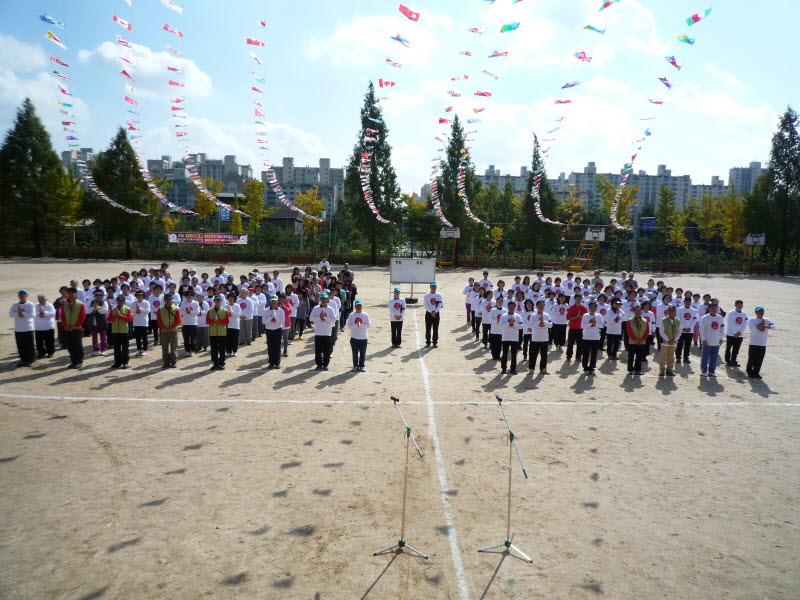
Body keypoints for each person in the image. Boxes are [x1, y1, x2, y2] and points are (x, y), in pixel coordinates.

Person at [746, 306, 775, 379]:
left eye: (762, 311)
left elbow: (773, 327)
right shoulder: (752, 319)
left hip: (763, 343)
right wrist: (760, 325)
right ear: (756, 312)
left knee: (760, 359)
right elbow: (752, 327)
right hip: (754, 343)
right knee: (752, 358)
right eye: (759, 312)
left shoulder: (767, 320)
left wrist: (765, 326)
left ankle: (756, 372)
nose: (760, 313)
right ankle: (749, 372)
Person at [310, 292, 337, 370]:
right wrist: (319, 318)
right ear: (320, 299)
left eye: (325, 299)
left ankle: (325, 364)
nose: (323, 300)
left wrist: (324, 318)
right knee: (318, 350)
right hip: (318, 332)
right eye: (322, 298)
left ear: (327, 299)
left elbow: (333, 319)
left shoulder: (330, 309)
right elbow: (311, 318)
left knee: (326, 350)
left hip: (327, 332)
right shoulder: (316, 308)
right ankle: (319, 364)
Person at [9, 289, 36, 367]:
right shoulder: (15, 304)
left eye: (24, 294)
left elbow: (33, 315)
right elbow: (11, 314)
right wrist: (18, 312)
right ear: (18, 296)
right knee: (20, 346)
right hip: (18, 329)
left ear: (27, 296)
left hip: (28, 328)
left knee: (29, 345)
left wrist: (22, 312)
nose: (22, 296)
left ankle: (31, 360)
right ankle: (23, 360)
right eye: (20, 294)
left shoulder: (30, 304)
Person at [61, 287, 86, 369]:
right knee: (70, 346)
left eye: (72, 293)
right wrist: (65, 325)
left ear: (76, 294)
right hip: (68, 329)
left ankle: (79, 361)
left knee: (78, 346)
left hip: (77, 329)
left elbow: (82, 317)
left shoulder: (80, 304)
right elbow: (63, 316)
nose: (71, 295)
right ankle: (73, 361)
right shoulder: (65, 304)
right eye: (69, 293)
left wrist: (75, 326)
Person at [157, 292, 183, 369]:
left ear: (172, 300)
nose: (168, 301)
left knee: (173, 347)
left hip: (173, 331)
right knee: (164, 348)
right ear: (164, 300)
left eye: (169, 299)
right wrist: (164, 328)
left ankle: (173, 362)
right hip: (164, 331)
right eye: (166, 299)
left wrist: (171, 328)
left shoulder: (176, 309)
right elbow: (159, 320)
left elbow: (178, 320)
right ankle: (166, 362)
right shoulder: (160, 309)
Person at [698, 302, 725, 377]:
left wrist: (721, 338)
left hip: (716, 341)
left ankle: (712, 371)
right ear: (709, 309)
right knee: (705, 357)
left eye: (715, 308)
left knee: (714, 357)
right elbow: (701, 329)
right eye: (712, 308)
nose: (713, 310)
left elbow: (722, 328)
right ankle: (704, 371)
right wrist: (703, 339)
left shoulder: (720, 317)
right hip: (707, 341)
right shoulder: (705, 318)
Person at [108, 294, 133, 369]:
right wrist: (116, 316)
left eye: (121, 300)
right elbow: (109, 319)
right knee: (116, 348)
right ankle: (117, 362)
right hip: (115, 330)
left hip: (124, 330)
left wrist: (120, 316)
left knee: (125, 348)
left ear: (124, 301)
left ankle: (125, 363)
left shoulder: (127, 309)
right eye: (119, 300)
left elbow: (129, 319)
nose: (120, 301)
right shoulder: (113, 309)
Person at [528, 300, 553, 374]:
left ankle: (543, 368)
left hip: (544, 338)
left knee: (544, 355)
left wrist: (543, 321)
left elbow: (550, 325)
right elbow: (531, 325)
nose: (541, 306)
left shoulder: (547, 315)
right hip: (535, 338)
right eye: (539, 305)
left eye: (542, 305)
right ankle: (531, 368)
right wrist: (539, 321)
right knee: (533, 354)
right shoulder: (533, 315)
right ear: (536, 306)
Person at [206, 294, 230, 370]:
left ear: (221, 301)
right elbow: (207, 322)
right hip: (213, 333)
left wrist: (218, 321)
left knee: (222, 349)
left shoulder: (225, 311)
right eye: (216, 300)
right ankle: (215, 363)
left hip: (222, 333)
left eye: (219, 300)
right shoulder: (210, 311)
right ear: (214, 301)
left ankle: (222, 363)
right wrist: (214, 321)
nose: (218, 302)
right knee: (214, 349)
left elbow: (227, 322)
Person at [499, 300, 523, 375]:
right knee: (505, 354)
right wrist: (509, 323)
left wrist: (514, 324)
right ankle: (503, 368)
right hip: (505, 337)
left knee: (514, 355)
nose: (511, 308)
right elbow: (501, 325)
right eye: (510, 306)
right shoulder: (504, 316)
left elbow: (521, 326)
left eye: (513, 307)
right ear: (508, 307)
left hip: (514, 338)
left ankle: (513, 369)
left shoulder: (518, 316)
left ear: (515, 307)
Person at [580, 301, 604, 374]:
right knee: (585, 354)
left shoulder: (599, 316)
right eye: (591, 307)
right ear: (589, 308)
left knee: (594, 354)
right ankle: (585, 368)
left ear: (596, 308)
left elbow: (602, 326)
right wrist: (591, 324)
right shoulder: (585, 315)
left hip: (596, 337)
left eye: (594, 307)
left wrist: (595, 324)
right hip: (586, 337)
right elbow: (582, 326)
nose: (592, 309)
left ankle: (592, 368)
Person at [347, 300, 371, 372]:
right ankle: (355, 365)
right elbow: (349, 325)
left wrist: (360, 325)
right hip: (354, 337)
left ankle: (362, 365)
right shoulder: (352, 315)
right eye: (357, 305)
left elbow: (368, 325)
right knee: (355, 353)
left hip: (363, 337)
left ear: (362, 306)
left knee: (363, 353)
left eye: (359, 305)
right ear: (355, 306)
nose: (358, 307)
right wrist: (356, 325)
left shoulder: (365, 315)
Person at [626, 305, 649, 375]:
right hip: (632, 341)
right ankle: (630, 369)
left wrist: (643, 339)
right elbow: (629, 331)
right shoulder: (630, 320)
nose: (638, 312)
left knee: (639, 356)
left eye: (639, 310)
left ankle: (638, 370)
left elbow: (647, 331)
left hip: (642, 342)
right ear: (633, 311)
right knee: (631, 356)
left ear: (641, 311)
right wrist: (635, 339)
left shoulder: (645, 321)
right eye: (636, 310)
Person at [263, 295, 285, 369]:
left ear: (277, 302)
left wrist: (276, 317)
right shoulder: (266, 310)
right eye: (272, 302)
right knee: (270, 346)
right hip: (269, 330)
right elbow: (264, 321)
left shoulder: (281, 311)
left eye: (275, 302)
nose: (273, 303)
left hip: (277, 329)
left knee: (277, 346)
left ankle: (277, 362)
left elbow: (282, 322)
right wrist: (270, 317)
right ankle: (271, 362)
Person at [724, 300, 748, 367]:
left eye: (741, 305)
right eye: (738, 305)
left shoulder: (744, 314)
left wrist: (740, 332)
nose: (740, 306)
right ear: (735, 305)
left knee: (736, 349)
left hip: (740, 335)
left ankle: (733, 360)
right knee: (728, 348)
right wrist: (734, 332)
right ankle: (728, 361)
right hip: (731, 334)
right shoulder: (731, 313)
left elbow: (745, 324)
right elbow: (730, 323)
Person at [659, 305, 680, 377]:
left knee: (671, 356)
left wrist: (675, 340)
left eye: (673, 311)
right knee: (663, 356)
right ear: (668, 311)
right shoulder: (663, 320)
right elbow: (661, 332)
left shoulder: (678, 320)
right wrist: (668, 340)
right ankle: (662, 369)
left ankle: (669, 369)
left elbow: (679, 331)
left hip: (674, 342)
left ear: (675, 312)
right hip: (665, 342)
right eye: (670, 311)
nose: (671, 312)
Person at [33, 294, 56, 360]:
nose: (41, 300)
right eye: (39, 299)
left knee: (49, 341)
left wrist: (44, 312)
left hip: (48, 327)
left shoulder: (50, 305)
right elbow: (33, 314)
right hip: (38, 327)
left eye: (42, 299)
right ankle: (41, 353)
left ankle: (50, 353)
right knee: (39, 342)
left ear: (46, 299)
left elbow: (52, 314)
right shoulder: (35, 306)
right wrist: (39, 313)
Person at [676, 296, 698, 364]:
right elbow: (677, 319)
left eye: (689, 301)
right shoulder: (680, 309)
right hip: (681, 330)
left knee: (687, 345)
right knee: (679, 344)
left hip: (690, 330)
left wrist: (690, 327)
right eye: (686, 301)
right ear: (684, 302)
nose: (688, 303)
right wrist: (682, 327)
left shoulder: (693, 310)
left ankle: (686, 358)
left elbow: (694, 320)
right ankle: (678, 357)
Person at [566, 292, 587, 362]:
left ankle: (578, 356)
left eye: (580, 299)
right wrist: (576, 317)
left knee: (580, 344)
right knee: (570, 343)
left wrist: (580, 317)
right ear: (575, 299)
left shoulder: (584, 308)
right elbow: (568, 318)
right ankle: (569, 356)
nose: (579, 300)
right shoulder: (571, 308)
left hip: (581, 328)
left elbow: (586, 318)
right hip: (572, 328)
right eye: (577, 298)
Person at [87, 290, 109, 356]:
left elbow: (105, 311)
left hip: (102, 322)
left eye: (100, 295)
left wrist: (98, 308)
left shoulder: (104, 302)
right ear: (95, 296)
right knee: (94, 337)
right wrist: (93, 307)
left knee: (103, 337)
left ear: (102, 296)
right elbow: (87, 311)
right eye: (97, 295)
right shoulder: (91, 302)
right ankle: (96, 349)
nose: (98, 296)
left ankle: (103, 349)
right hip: (93, 322)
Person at [179, 290, 199, 357]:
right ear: (185, 296)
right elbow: (180, 312)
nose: (189, 296)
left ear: (193, 296)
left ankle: (193, 350)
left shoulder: (196, 303)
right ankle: (187, 350)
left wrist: (190, 311)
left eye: (190, 295)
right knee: (186, 338)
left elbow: (198, 312)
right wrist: (186, 311)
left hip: (193, 323)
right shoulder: (183, 303)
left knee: (193, 338)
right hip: (185, 323)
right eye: (187, 295)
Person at [423, 281, 443, 348]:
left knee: (436, 329)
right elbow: (426, 305)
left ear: (436, 287)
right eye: (432, 286)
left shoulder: (439, 295)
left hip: (436, 313)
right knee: (428, 329)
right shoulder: (426, 295)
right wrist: (431, 312)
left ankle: (435, 342)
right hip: (428, 314)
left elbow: (440, 304)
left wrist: (435, 311)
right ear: (430, 287)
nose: (433, 287)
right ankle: (428, 342)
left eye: (434, 286)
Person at [131, 290, 151, 357]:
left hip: (144, 322)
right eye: (138, 295)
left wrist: (140, 308)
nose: (139, 296)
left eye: (141, 295)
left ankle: (144, 349)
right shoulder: (133, 303)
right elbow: (132, 311)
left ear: (143, 296)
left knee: (144, 337)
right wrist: (136, 309)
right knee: (137, 337)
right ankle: (139, 349)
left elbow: (147, 311)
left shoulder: (146, 302)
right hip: (136, 322)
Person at [224, 292, 242, 357]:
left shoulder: (237, 306)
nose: (230, 299)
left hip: (235, 325)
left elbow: (238, 315)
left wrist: (231, 311)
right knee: (228, 339)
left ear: (234, 299)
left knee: (235, 339)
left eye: (232, 298)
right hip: (228, 325)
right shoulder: (225, 306)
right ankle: (228, 351)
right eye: (229, 298)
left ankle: (235, 351)